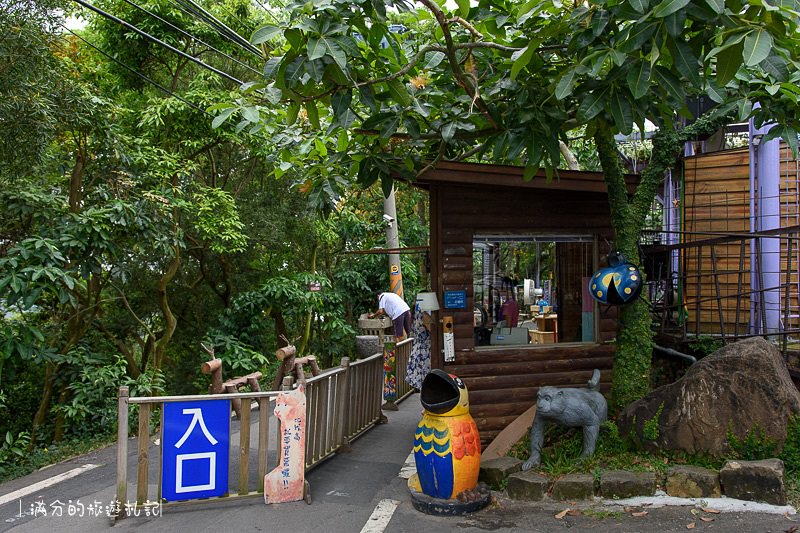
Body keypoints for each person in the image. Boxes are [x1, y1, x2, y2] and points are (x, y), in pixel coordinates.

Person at [406, 301, 432, 390]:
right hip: (425, 350)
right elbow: (432, 329)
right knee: (427, 380)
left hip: (417, 349)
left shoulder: (416, 312)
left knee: (422, 381)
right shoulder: (424, 313)